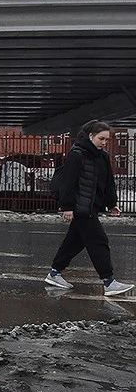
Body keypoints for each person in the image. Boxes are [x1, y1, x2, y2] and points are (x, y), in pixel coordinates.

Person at [44, 120, 134, 296]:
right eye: (101, 138)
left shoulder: (103, 156)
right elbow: (68, 183)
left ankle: (54, 273)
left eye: (106, 140)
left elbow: (108, 183)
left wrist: (112, 203)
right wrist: (67, 207)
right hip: (81, 207)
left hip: (91, 206)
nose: (104, 142)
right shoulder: (77, 154)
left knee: (75, 242)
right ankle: (109, 282)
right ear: (91, 136)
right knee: (99, 241)